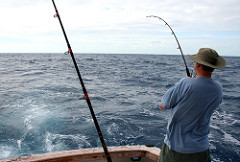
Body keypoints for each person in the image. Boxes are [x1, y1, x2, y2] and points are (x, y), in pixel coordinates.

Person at [158, 48, 226, 162]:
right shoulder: (218, 89)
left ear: (198, 64)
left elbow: (163, 105)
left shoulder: (185, 83)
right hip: (201, 150)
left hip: (176, 149)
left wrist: (184, 83)